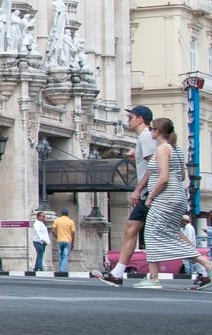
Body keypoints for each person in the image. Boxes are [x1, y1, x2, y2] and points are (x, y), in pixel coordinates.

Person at [133, 118, 212, 289]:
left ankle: (208, 265)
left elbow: (164, 177)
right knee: (161, 234)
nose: (149, 131)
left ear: (158, 131)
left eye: (152, 128)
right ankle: (153, 277)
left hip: (166, 197)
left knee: (151, 234)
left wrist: (151, 196)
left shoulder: (162, 149)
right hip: (176, 196)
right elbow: (181, 176)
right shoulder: (175, 149)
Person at [94, 105, 157, 286]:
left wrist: (138, 190)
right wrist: (134, 156)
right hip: (149, 192)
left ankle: (205, 267)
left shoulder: (145, 137)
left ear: (140, 119)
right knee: (131, 229)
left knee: (170, 233)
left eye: (131, 117)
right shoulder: (143, 139)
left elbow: (153, 167)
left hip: (149, 193)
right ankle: (118, 273)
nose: (129, 120)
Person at [181, 214, 207, 282]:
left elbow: (189, 238)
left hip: (189, 247)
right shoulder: (184, 228)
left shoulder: (189, 228)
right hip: (188, 246)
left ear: (184, 221)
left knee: (195, 260)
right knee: (193, 261)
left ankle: (203, 273)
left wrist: (186, 246)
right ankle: (201, 273)